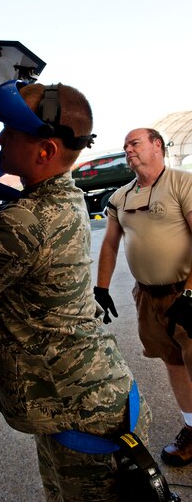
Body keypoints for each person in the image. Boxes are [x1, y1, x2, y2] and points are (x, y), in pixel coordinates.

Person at [0, 81, 151, 502]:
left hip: (84, 417)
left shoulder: (28, 221)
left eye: (10, 133)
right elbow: (12, 215)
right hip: (85, 400)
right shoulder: (64, 197)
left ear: (45, 152)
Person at [95, 127, 192, 467]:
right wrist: (101, 288)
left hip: (186, 291)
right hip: (148, 298)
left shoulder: (182, 183)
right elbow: (109, 243)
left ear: (157, 146)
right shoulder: (121, 196)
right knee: (174, 361)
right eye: (125, 146)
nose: (128, 150)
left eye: (134, 143)